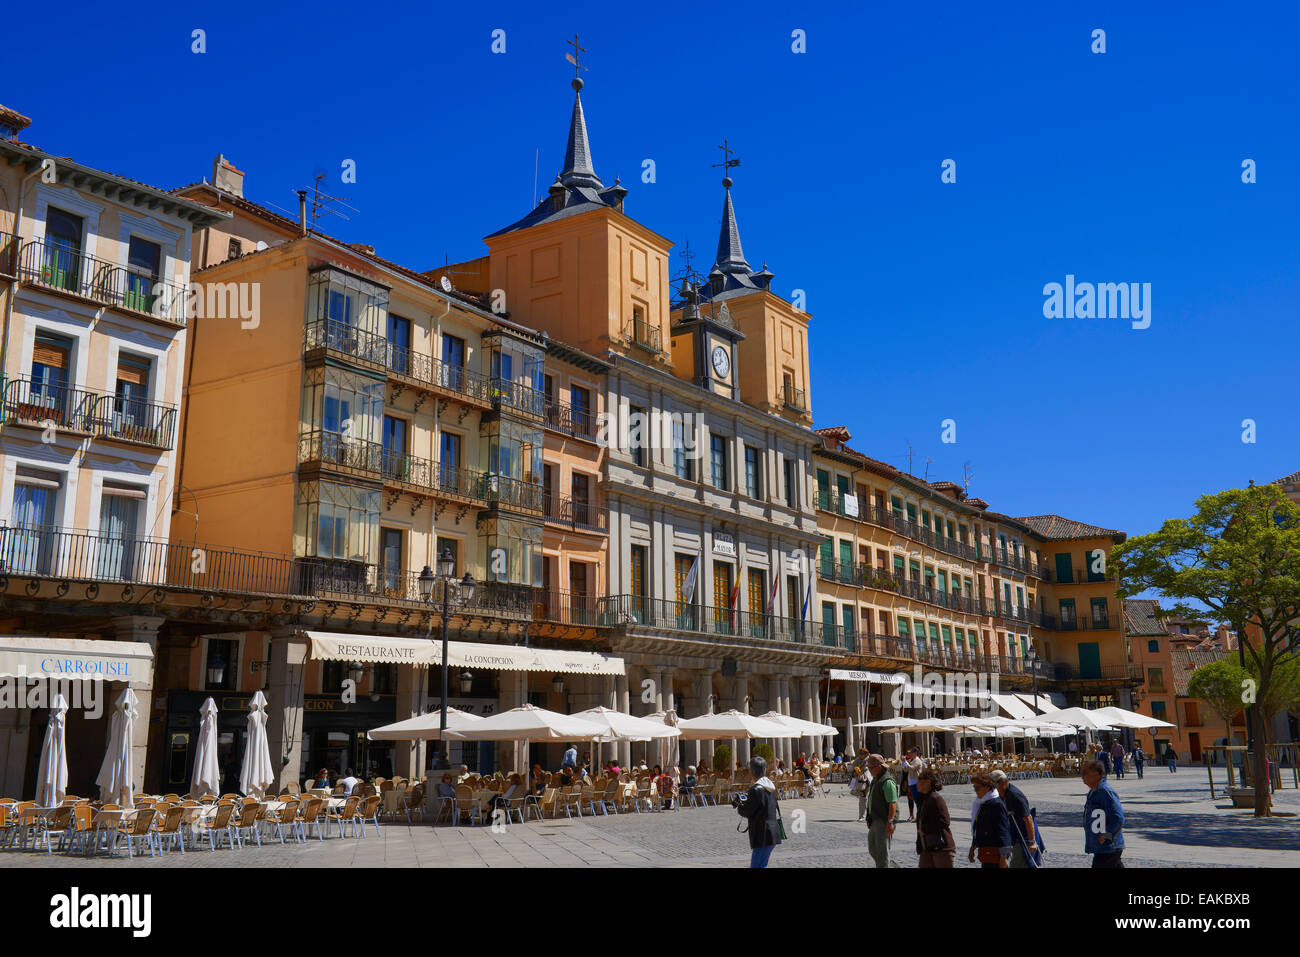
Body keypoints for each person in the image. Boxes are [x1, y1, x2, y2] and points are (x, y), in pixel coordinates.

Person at [734, 755, 782, 868]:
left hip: (762, 834)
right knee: (762, 864)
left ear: (751, 771)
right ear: (765, 770)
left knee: (758, 865)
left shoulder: (756, 789)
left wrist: (739, 806)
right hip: (772, 832)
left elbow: (747, 811)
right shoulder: (769, 786)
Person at [1081, 759, 1125, 867]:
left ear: (1097, 774)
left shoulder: (1104, 791)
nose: (1082, 776)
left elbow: (1118, 817)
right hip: (1102, 848)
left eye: (1085, 773)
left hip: (1108, 847)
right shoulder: (1093, 792)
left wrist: (1106, 835)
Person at [991, 770, 1038, 868]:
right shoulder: (998, 795)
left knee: (1017, 863)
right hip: (1011, 833)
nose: (992, 788)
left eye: (993, 785)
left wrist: (1032, 842)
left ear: (1003, 782)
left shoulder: (1015, 796)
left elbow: (1028, 818)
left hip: (1022, 835)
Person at [913, 768, 955, 868]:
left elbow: (945, 821)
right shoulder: (924, 799)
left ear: (927, 782)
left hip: (941, 847)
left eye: (919, 779)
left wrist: (925, 829)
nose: (917, 782)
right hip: (927, 847)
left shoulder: (936, 799)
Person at [968, 771, 1011, 868]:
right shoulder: (982, 802)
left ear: (987, 787)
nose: (975, 791)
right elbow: (978, 827)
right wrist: (973, 846)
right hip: (986, 852)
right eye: (974, 787)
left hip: (996, 853)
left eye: (977, 787)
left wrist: (1004, 857)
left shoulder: (996, 804)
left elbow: (1004, 832)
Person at [863, 753, 898, 868]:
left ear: (879, 766)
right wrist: (869, 817)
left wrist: (890, 821)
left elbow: (892, 803)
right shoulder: (876, 779)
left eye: (871, 768)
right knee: (873, 849)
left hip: (884, 820)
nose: (869, 770)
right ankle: (891, 866)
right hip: (874, 819)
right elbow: (872, 799)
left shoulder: (887, 781)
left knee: (882, 852)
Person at [900, 747, 926, 822]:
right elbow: (905, 769)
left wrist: (906, 762)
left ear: (915, 753)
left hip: (916, 782)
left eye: (911, 752)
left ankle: (920, 817)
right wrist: (903, 762)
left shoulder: (917, 760)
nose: (909, 754)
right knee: (915, 799)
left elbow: (912, 768)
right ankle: (918, 816)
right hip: (911, 782)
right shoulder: (913, 760)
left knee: (918, 800)